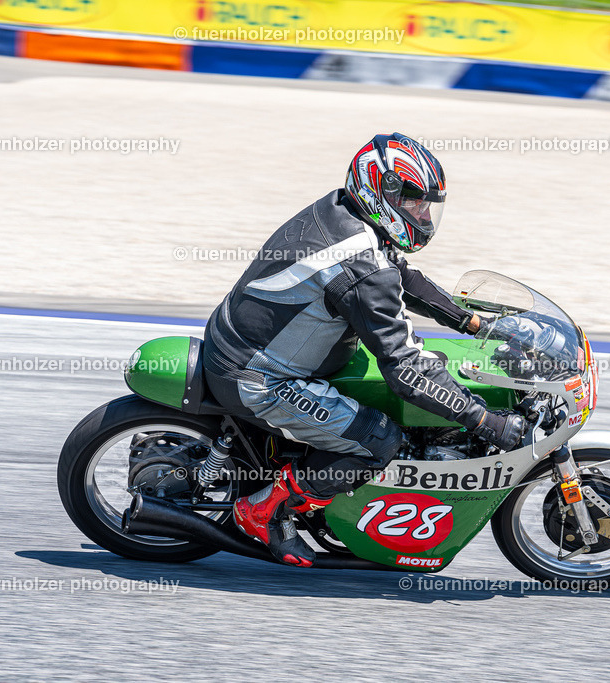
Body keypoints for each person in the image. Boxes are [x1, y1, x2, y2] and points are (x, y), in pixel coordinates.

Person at [202, 132, 526, 567]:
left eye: (428, 206)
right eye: (415, 203)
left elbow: (401, 275)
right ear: (381, 194)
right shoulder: (361, 264)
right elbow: (405, 369)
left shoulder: (343, 212)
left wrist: (474, 323)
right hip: (260, 377)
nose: (423, 215)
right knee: (379, 439)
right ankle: (264, 511)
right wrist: (481, 419)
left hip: (244, 342)